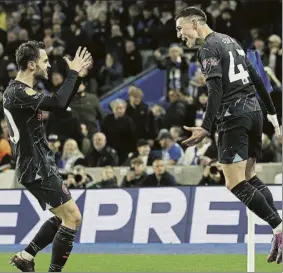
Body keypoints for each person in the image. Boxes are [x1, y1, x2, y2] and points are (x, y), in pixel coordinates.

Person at [175, 7, 282, 264]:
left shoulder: (208, 47)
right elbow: (256, 77)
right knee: (249, 176)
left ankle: (279, 228)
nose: (179, 35)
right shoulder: (230, 40)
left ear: (194, 23)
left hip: (233, 116)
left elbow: (215, 90)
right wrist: (272, 115)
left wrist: (205, 126)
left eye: (180, 28)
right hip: (254, 113)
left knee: (234, 182)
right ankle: (277, 229)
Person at [3, 41, 92, 272]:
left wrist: (77, 77)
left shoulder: (17, 91)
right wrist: (73, 73)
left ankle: (25, 256)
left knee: (66, 217)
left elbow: (58, 102)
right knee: (72, 218)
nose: (49, 64)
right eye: (45, 60)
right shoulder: (19, 92)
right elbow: (58, 103)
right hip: (35, 166)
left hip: (37, 164)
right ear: (32, 65)